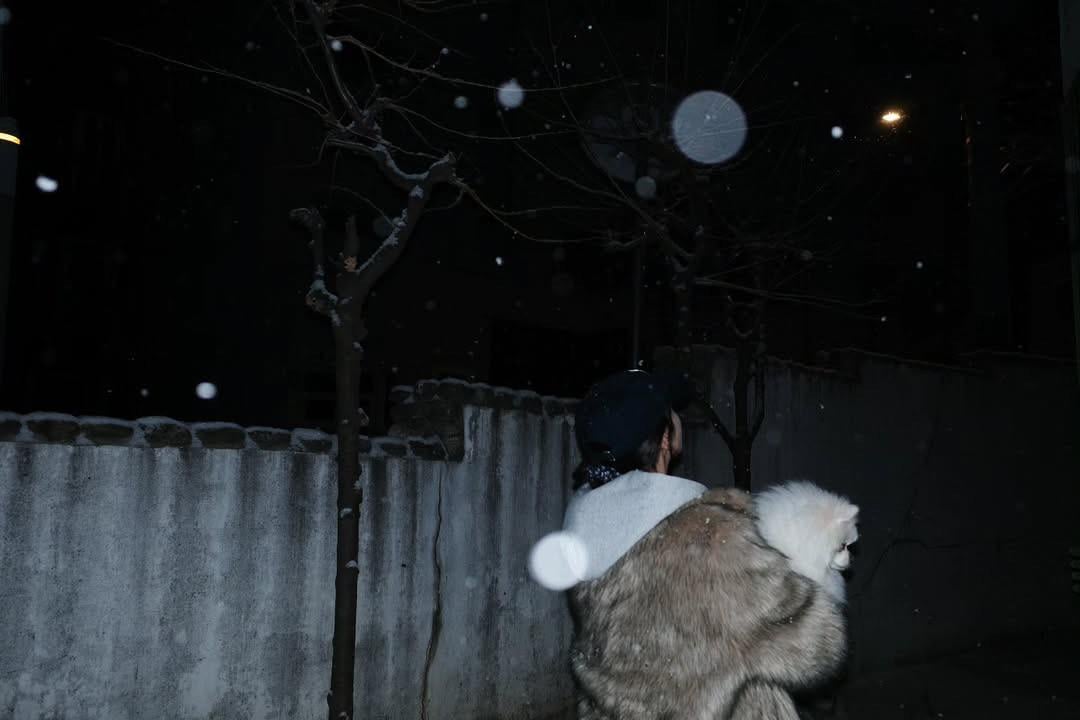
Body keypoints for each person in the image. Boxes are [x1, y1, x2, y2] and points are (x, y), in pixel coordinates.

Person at [557, 368, 848, 720]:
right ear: (665, 439)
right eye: (672, 412)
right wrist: (813, 561)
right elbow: (818, 645)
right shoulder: (709, 539)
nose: (680, 417)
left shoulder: (584, 538)